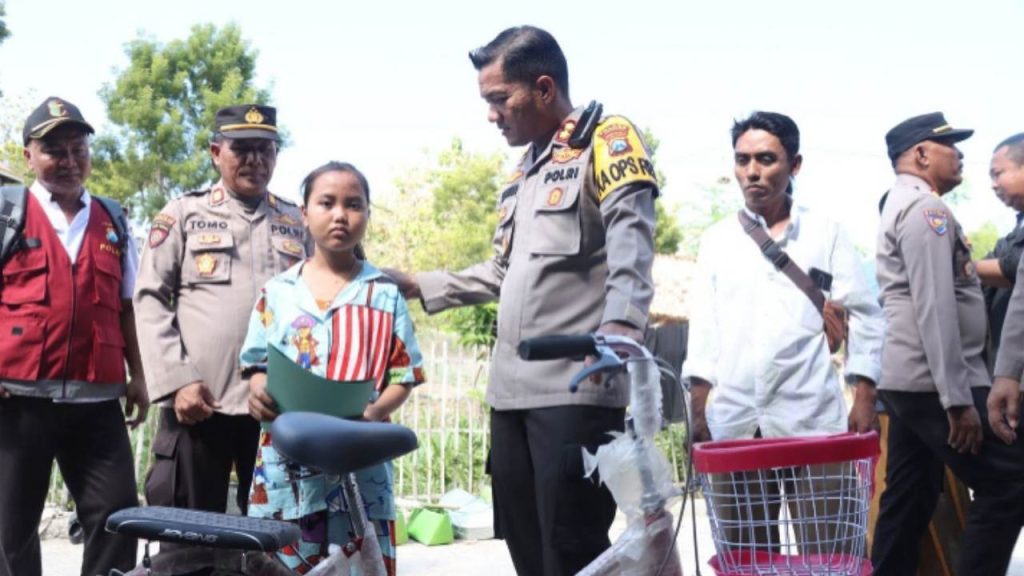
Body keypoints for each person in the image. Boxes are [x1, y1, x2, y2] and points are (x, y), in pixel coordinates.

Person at [386, 26, 658, 576]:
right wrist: (422, 284)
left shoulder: (605, 140)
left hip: (576, 388)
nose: (491, 114)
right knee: (526, 547)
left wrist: (624, 325)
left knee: (572, 548)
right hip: (510, 395)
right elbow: (503, 270)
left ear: (542, 87)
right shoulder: (521, 172)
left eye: (498, 99)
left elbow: (632, 242)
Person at [682, 111, 884, 549]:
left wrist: (865, 395)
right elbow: (704, 333)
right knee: (745, 557)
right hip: (735, 427)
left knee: (831, 555)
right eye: (742, 160)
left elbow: (867, 315)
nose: (752, 171)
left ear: (795, 165)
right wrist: (697, 412)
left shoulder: (826, 234)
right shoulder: (717, 241)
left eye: (766, 159)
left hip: (814, 424)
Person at [241, 161, 424, 575]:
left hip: (361, 464)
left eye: (353, 204)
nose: (340, 214)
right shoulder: (278, 293)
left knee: (360, 561)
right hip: (285, 469)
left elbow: (404, 374)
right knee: (283, 565)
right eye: (327, 203)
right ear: (304, 213)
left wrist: (373, 415)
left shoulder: (383, 294)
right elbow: (254, 365)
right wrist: (258, 390)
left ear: (367, 215)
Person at [134, 104, 310, 515]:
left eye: (265, 149)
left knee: (278, 538)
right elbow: (149, 298)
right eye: (241, 148)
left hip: (277, 408)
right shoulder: (182, 215)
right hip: (200, 405)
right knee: (189, 539)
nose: (255, 160)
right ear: (216, 152)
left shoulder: (298, 221)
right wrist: (178, 381)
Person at [0, 96, 148, 576]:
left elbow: (128, 307)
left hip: (97, 399)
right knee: (10, 527)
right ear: (29, 155)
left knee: (117, 513)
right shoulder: (8, 212)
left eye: (77, 149)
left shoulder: (113, 219)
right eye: (54, 150)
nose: (68, 161)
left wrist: (141, 376)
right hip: (17, 398)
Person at [872, 112, 1024, 576]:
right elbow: (935, 309)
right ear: (921, 154)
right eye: (950, 146)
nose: (960, 155)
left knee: (910, 491)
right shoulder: (927, 211)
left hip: (909, 381)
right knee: (1010, 480)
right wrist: (957, 400)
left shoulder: (904, 204)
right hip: (931, 382)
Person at [976, 134, 1024, 364]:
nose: (994, 185)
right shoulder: (1014, 231)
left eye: (998, 173)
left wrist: (961, 266)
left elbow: (1014, 266)